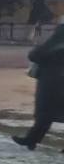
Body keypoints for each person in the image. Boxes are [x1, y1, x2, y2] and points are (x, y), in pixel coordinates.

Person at [14, 21, 64, 149]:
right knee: (48, 114)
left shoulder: (56, 42)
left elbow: (35, 55)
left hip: (52, 81)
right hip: (55, 80)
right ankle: (31, 140)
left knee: (45, 113)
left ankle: (31, 140)